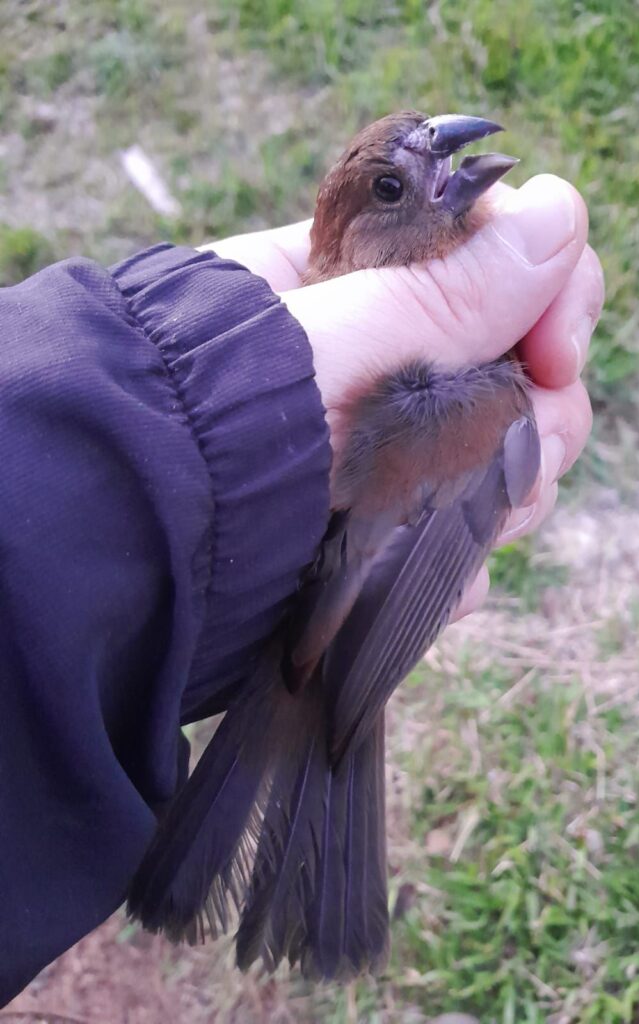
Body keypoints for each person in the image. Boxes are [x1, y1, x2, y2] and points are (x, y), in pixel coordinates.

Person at [0, 174, 603, 1004]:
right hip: (327, 638)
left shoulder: (428, 370)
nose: (454, 166)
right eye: (396, 184)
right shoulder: (476, 391)